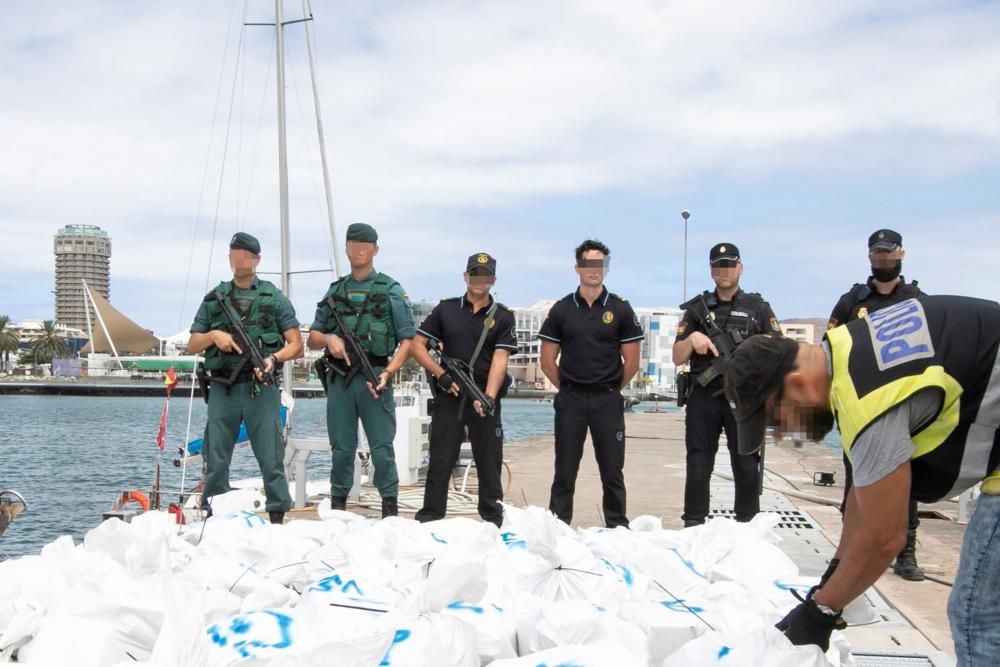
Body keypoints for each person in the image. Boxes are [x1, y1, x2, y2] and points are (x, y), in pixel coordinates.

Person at [724, 295, 1000, 662]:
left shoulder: (868, 401)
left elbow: (885, 537)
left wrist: (821, 611)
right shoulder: (848, 347)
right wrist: (836, 573)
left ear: (796, 384)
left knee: (975, 614)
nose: (784, 433)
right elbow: (864, 496)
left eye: (778, 420)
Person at [829, 228, 927, 581]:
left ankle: (907, 553)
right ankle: (849, 547)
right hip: (861, 404)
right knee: (856, 479)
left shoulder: (917, 300)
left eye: (889, 252)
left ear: (902, 254)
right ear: (869, 257)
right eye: (877, 253)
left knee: (905, 480)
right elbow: (832, 346)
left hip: (902, 403)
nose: (883, 258)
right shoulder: (852, 301)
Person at [186, 232, 302, 524]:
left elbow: (296, 344)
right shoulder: (215, 299)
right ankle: (213, 513)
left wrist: (273, 359)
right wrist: (214, 335)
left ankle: (277, 515)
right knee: (216, 457)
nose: (239, 261)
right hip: (223, 388)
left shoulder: (273, 298)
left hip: (259, 389)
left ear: (256, 259)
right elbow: (193, 344)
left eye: (245, 256)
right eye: (234, 255)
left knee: (270, 455)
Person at [307, 223, 415, 518]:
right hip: (341, 380)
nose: (358, 251)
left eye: (365, 246)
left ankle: (389, 511)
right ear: (346, 249)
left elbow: (408, 340)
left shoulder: (390, 290)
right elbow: (312, 338)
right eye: (353, 245)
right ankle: (339, 507)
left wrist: (389, 373)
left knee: (382, 448)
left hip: (375, 376)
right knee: (341, 448)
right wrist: (330, 339)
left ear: (375, 250)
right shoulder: (336, 291)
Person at [672, 243, 781, 527]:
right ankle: (694, 527)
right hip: (704, 396)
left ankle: (747, 528)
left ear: (740, 268)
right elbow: (676, 356)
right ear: (711, 271)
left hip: (743, 399)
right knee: (698, 465)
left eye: (730, 264)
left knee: (746, 466)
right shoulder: (697, 310)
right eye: (718, 265)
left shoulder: (758, 308)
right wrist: (691, 340)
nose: (724, 271)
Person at [538, 239, 643, 528]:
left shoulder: (621, 310)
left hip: (607, 401)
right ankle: (558, 528)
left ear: (606, 269)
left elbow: (631, 363)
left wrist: (608, 388)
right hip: (571, 401)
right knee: (564, 470)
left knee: (612, 471)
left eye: (600, 264)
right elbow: (547, 363)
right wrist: (571, 388)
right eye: (588, 264)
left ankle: (617, 527)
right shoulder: (560, 310)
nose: (594, 270)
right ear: (578, 268)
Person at [410, 252, 518, 527]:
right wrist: (441, 375)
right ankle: (431, 518)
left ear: (493, 279)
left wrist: (489, 397)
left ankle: (493, 520)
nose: (479, 280)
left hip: (484, 394)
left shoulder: (503, 317)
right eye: (474, 273)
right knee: (441, 459)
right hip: (451, 395)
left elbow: (500, 360)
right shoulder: (445, 310)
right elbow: (417, 345)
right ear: (465, 276)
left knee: (489, 461)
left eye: (485, 275)